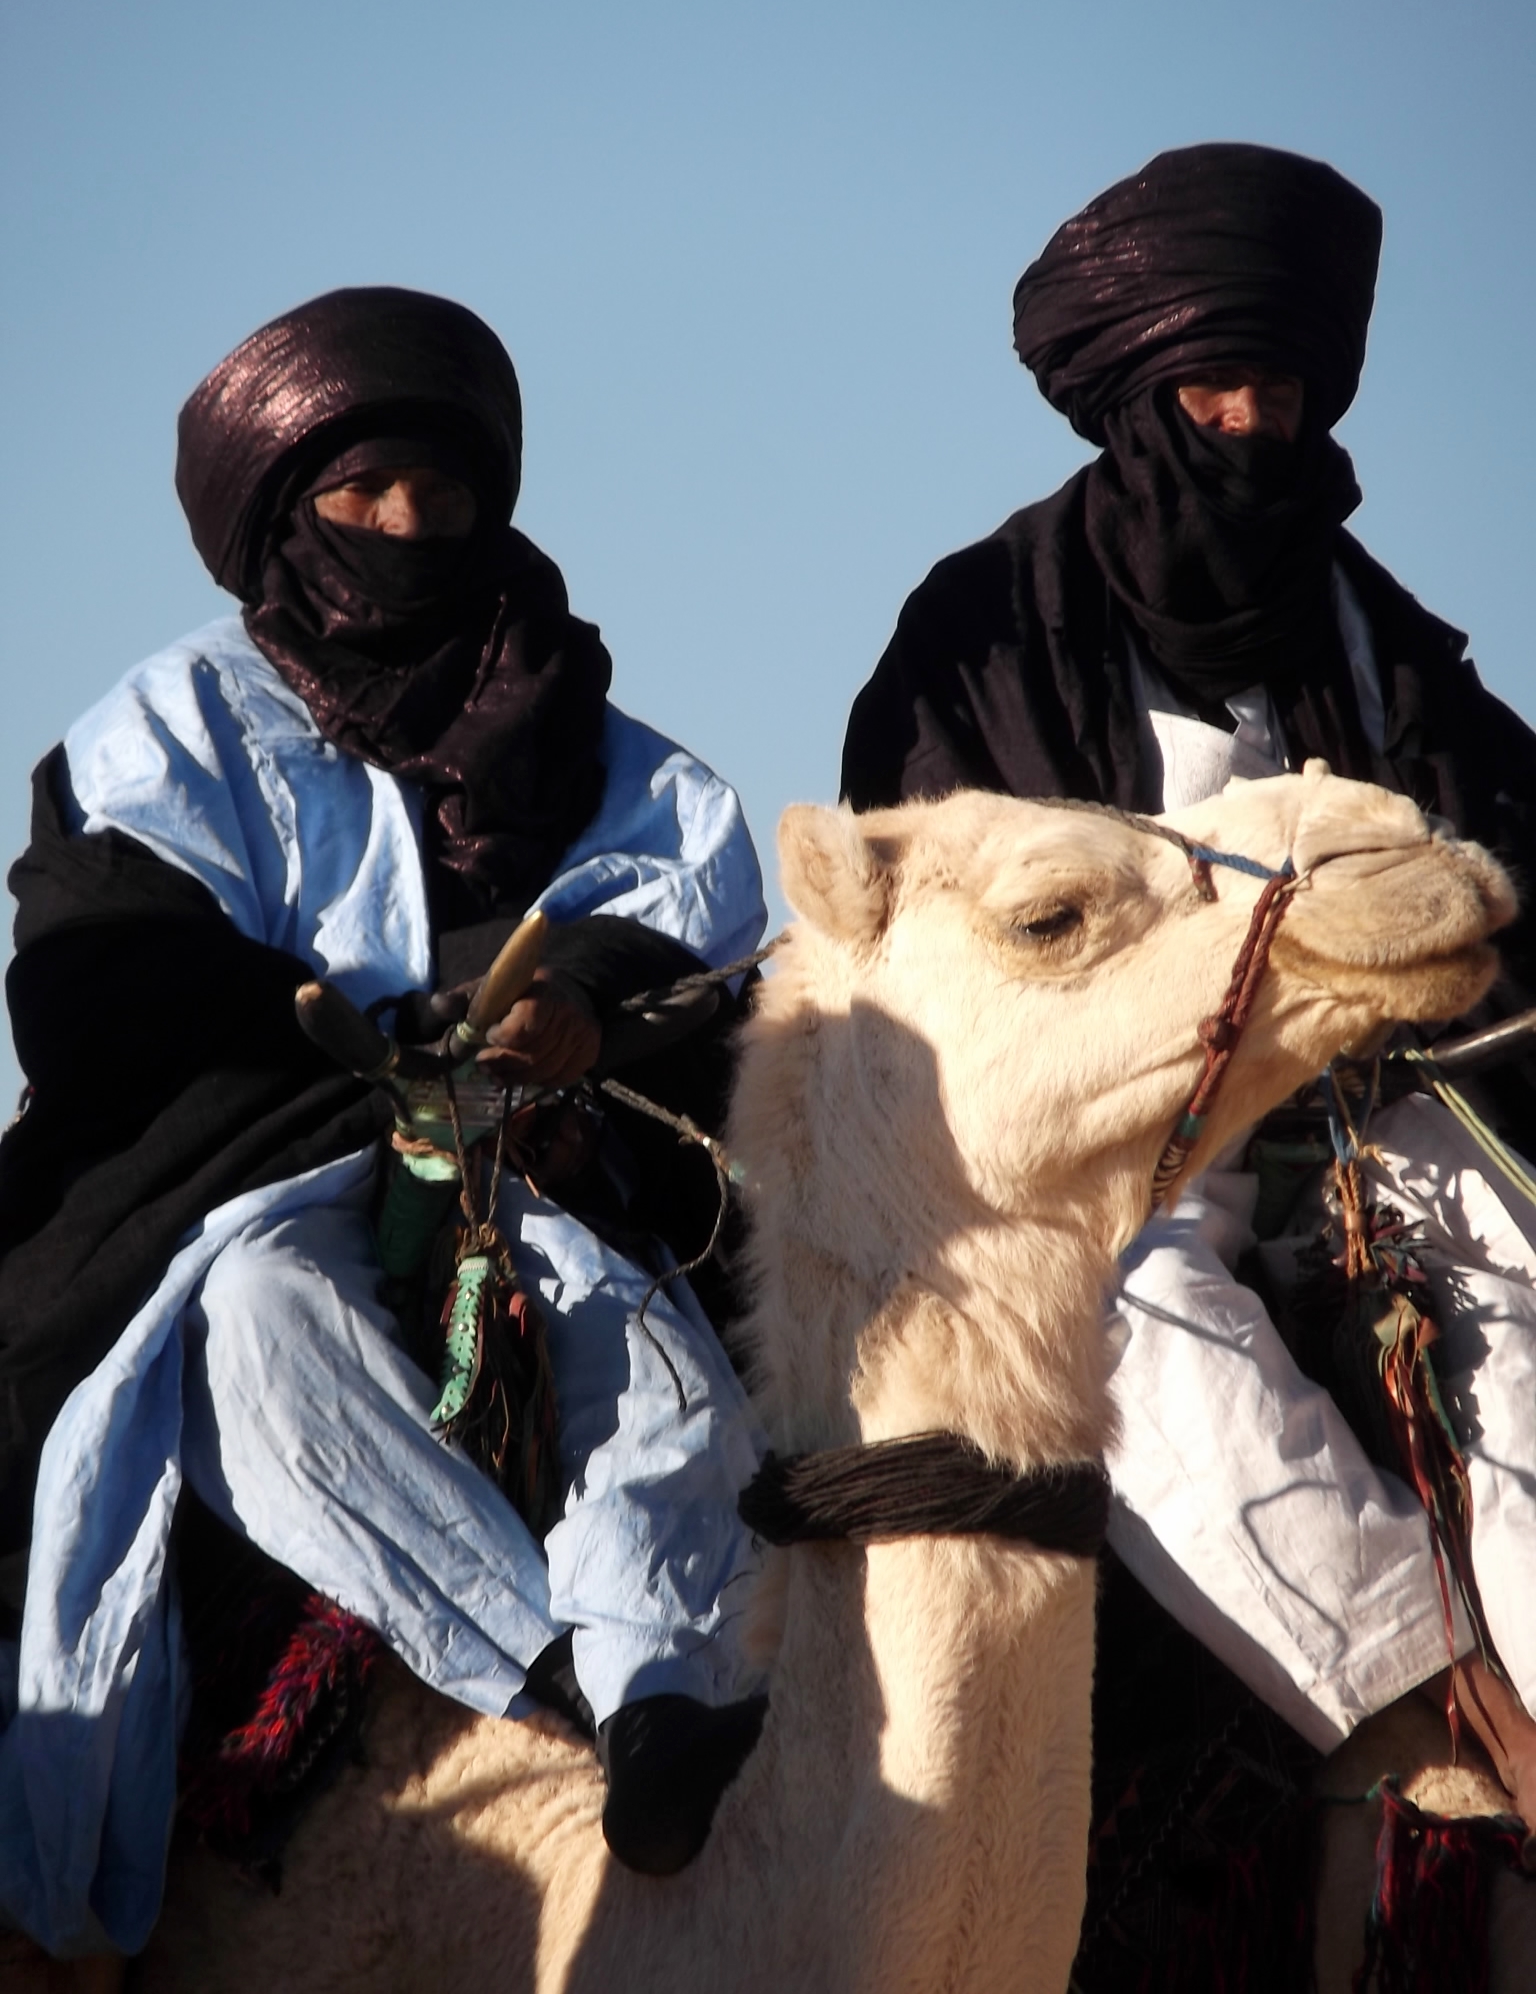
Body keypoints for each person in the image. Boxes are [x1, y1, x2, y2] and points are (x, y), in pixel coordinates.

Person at [0, 287, 770, 1957]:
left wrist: (579, 1015)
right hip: (258, 1171)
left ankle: (661, 1690)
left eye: (442, 491)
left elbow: (686, 920)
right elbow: (103, 974)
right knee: (260, 1333)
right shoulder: (171, 723)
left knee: (648, 1357)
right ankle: (547, 1668)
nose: (410, 526)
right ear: (287, 516)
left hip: (525, 1156)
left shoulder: (579, 722)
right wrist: (372, 1036)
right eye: (365, 493)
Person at [842, 144, 1536, 1975]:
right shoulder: (982, 636)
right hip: (1135, 1128)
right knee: (1131, 1319)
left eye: (1279, 391)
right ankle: (1432, 1717)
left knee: (1521, 1282)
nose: (1247, 425)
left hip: (1383, 1103)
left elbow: (1502, 848)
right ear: (1138, 395)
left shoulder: (1381, 636)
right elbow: (947, 939)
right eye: (1215, 387)